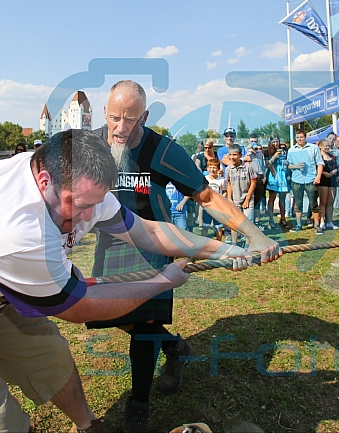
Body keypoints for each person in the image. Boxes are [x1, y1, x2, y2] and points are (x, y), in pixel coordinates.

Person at [0, 129, 252, 433]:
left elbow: (146, 232)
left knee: (53, 361)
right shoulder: (14, 233)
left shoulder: (77, 181)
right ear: (44, 181)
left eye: (96, 204)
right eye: (80, 205)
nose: (87, 219)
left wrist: (221, 250)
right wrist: (162, 281)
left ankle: (88, 426)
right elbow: (81, 308)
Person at [92, 80, 280, 432]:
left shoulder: (163, 151)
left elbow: (207, 198)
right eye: (115, 117)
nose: (121, 128)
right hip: (111, 245)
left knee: (144, 326)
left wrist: (255, 235)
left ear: (144, 117)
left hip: (156, 245)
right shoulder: (90, 147)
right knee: (112, 316)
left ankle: (138, 405)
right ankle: (176, 348)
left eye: (130, 120)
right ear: (105, 112)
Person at [286, 129, 323, 233]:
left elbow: (320, 163)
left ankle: (317, 225)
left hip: (311, 179)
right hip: (297, 180)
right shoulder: (291, 150)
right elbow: (288, 165)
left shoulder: (314, 148)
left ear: (305, 137)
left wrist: (318, 177)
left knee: (313, 203)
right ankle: (298, 224)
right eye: (297, 137)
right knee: (298, 203)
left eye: (301, 137)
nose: (299, 139)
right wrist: (296, 166)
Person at [227, 144, 257, 246]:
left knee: (248, 222)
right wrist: (229, 199)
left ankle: (248, 244)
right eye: (230, 155)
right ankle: (234, 244)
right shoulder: (228, 169)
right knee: (234, 223)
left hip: (247, 199)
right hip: (235, 200)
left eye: (235, 155)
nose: (232, 157)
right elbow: (229, 184)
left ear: (240, 155)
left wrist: (247, 199)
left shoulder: (248, 167)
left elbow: (253, 183)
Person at [265, 134, 289, 229]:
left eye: (277, 141)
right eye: (274, 142)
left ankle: (283, 219)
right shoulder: (267, 152)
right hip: (273, 176)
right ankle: (271, 220)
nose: (276, 143)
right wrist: (275, 156)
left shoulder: (284, 150)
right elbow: (267, 164)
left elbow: (287, 162)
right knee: (272, 198)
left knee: (282, 198)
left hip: (283, 176)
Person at [317, 139, 339, 230]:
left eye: (328, 145)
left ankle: (330, 221)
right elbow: (316, 168)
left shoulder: (332, 157)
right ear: (320, 146)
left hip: (332, 179)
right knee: (323, 202)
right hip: (322, 180)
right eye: (325, 145)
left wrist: (332, 172)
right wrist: (323, 173)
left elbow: (337, 167)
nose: (327, 147)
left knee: (330, 202)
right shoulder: (318, 157)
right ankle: (322, 221)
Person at [202, 158, 227, 240]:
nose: (212, 169)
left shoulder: (221, 180)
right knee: (205, 226)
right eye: (210, 167)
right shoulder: (204, 178)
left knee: (219, 227)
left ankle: (219, 245)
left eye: (214, 167)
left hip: (217, 207)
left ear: (218, 168)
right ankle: (203, 244)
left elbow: (225, 191)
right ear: (207, 168)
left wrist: (221, 199)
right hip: (207, 206)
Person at [247, 135, 266, 228]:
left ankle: (257, 221)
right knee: (251, 200)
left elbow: (262, 165)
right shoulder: (246, 152)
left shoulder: (260, 153)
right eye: (252, 141)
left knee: (258, 200)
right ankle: (250, 222)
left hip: (260, 177)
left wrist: (264, 176)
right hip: (250, 178)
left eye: (255, 141)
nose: (254, 143)